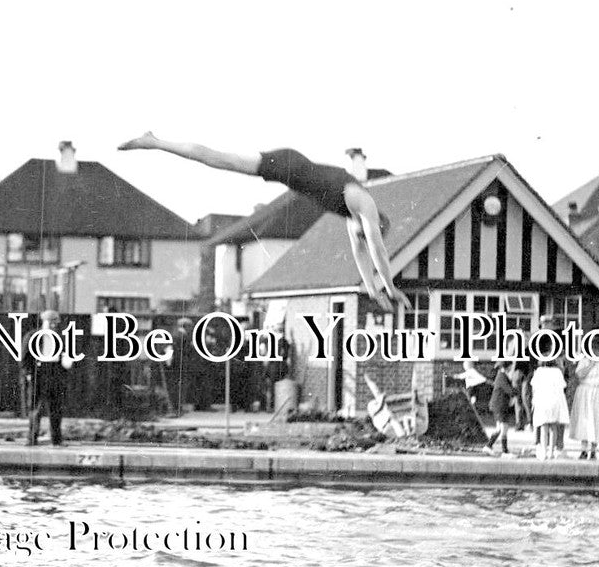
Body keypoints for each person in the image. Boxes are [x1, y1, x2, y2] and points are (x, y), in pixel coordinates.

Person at [119, 133, 409, 311]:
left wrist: (373, 290)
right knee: (221, 160)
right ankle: (154, 142)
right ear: (374, 224)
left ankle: (155, 142)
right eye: (364, 233)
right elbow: (376, 251)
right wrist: (390, 286)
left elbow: (362, 256)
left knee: (222, 161)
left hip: (292, 169)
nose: (357, 236)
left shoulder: (352, 216)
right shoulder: (364, 204)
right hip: (290, 165)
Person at [25, 309, 71, 446]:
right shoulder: (33, 336)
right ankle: (32, 439)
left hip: (54, 373)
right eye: (51, 322)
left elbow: (64, 355)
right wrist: (28, 373)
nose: (53, 326)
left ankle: (56, 440)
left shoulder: (58, 338)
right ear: (44, 322)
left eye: (55, 323)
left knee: (56, 408)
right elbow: (25, 356)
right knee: (35, 408)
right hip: (38, 373)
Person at [569, 355, 599, 460]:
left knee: (597, 420)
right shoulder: (584, 361)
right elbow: (579, 374)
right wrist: (591, 364)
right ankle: (583, 449)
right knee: (584, 420)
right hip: (585, 390)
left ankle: (593, 450)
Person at [530, 359, 570, 460]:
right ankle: (551, 452)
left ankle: (544, 451)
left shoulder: (539, 371)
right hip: (555, 400)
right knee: (553, 427)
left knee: (544, 427)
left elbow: (534, 387)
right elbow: (562, 386)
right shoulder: (558, 372)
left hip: (543, 400)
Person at [483, 362, 518, 457]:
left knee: (499, 429)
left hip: (499, 405)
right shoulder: (502, 376)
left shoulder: (502, 376)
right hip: (500, 405)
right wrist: (516, 391)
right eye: (511, 367)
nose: (512, 369)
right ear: (507, 367)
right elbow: (509, 390)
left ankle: (488, 446)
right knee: (504, 428)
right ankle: (504, 451)